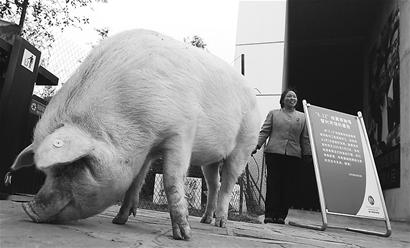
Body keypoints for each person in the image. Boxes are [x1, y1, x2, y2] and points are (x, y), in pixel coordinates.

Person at [252, 88, 311, 224]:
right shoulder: (273, 114)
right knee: (273, 184)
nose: (292, 99)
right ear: (283, 99)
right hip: (274, 154)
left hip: (293, 156)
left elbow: (305, 138)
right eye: (289, 96)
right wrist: (256, 146)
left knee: (288, 186)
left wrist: (307, 154)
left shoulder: (302, 117)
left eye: (294, 97)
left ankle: (280, 216)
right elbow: (264, 131)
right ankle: (269, 215)